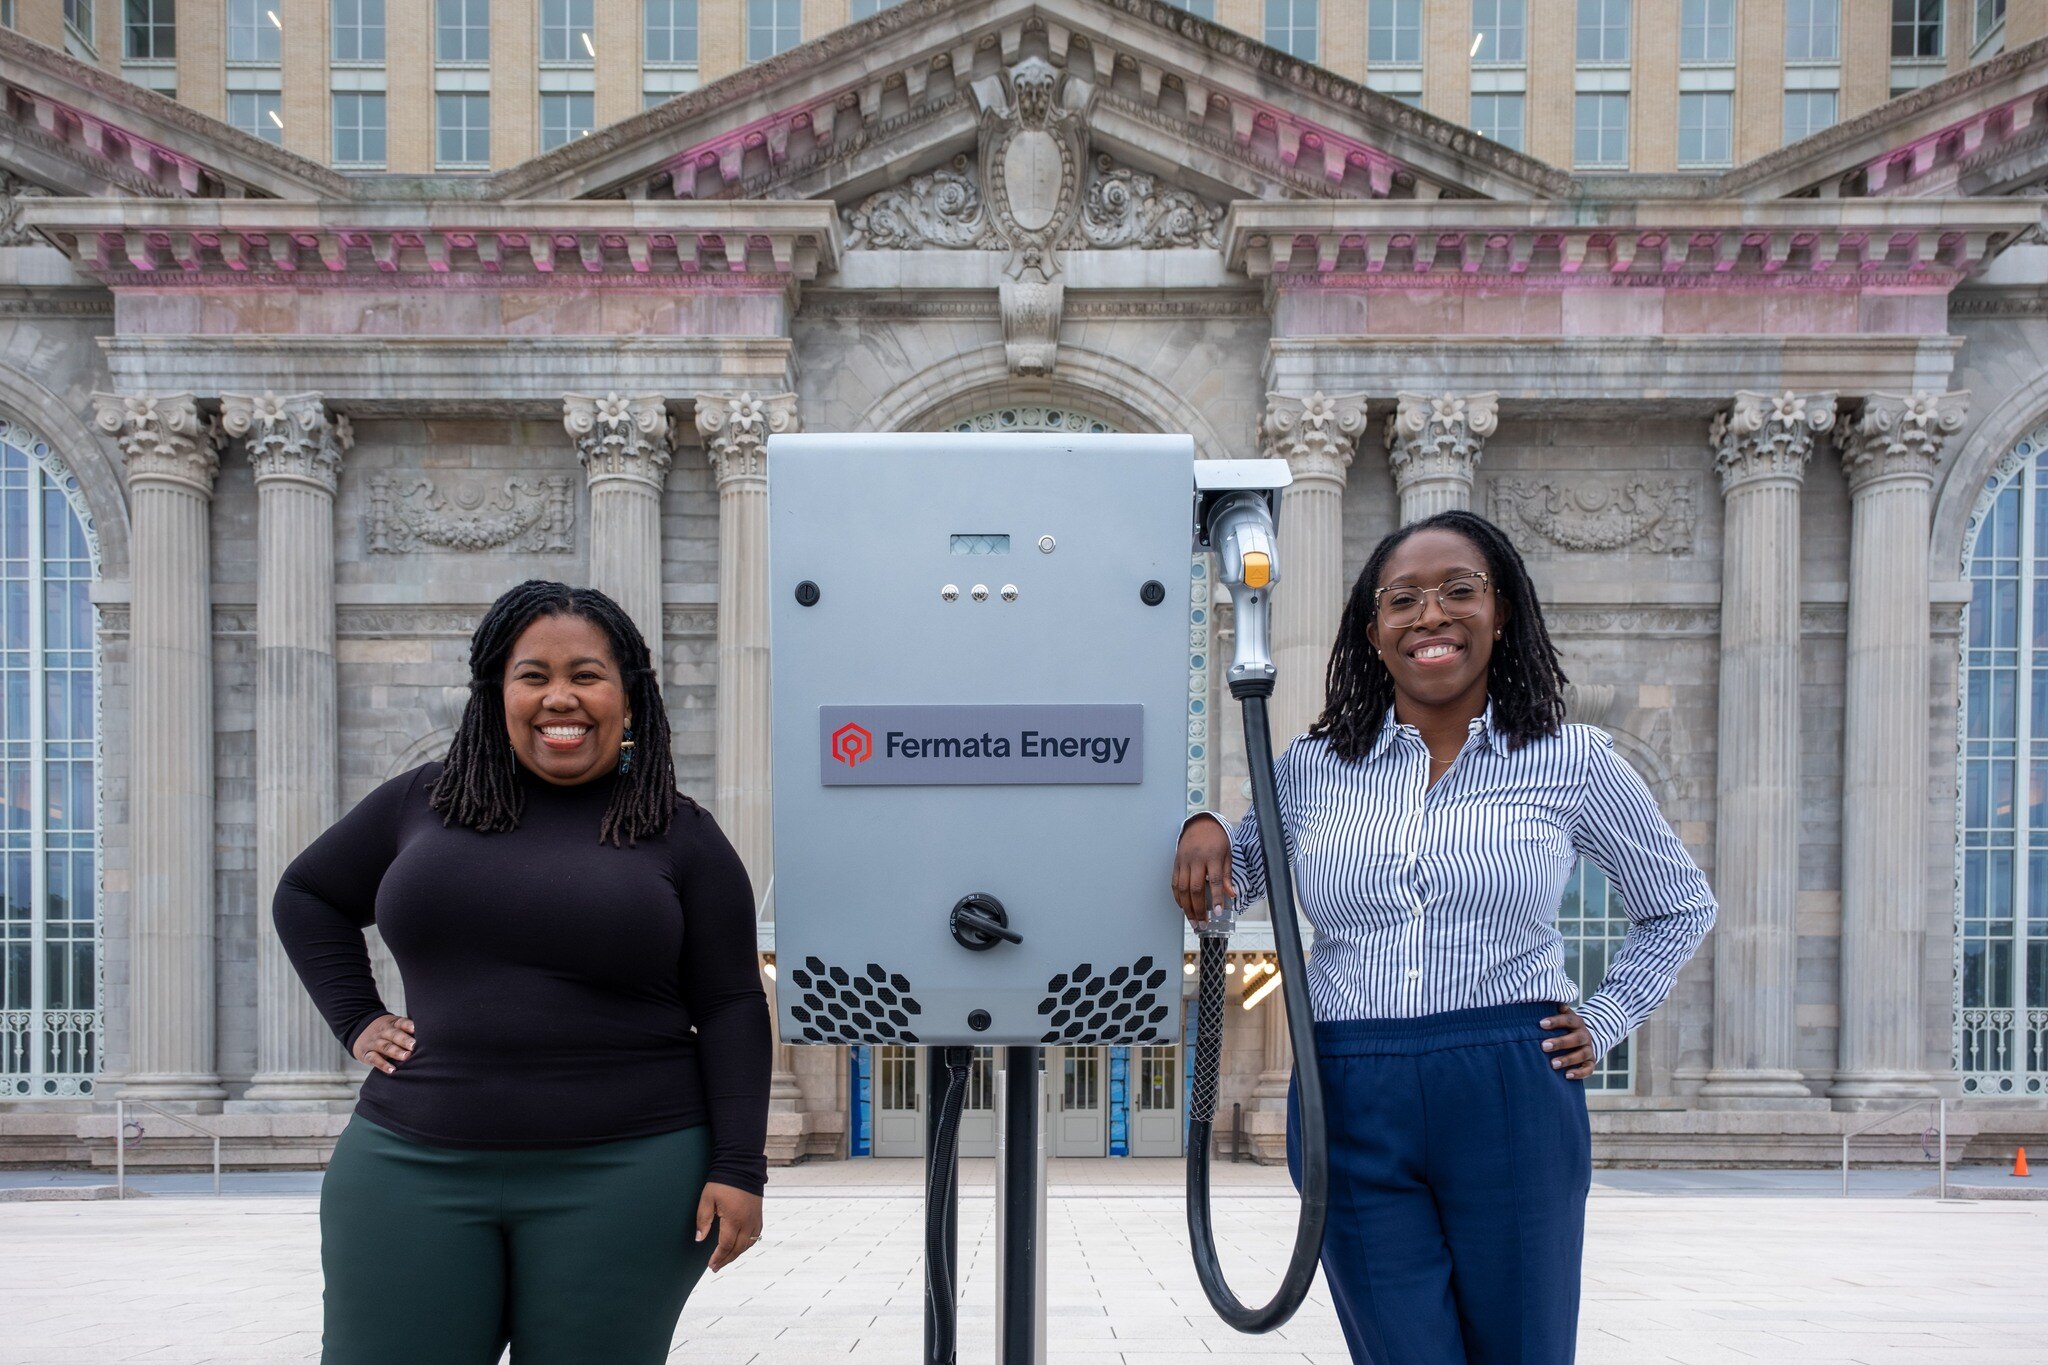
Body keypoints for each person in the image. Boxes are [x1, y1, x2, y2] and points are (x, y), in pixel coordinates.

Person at [1172, 509, 1716, 1365]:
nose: (1432, 616)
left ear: (1502, 612)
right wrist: (1202, 818)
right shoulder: (1314, 768)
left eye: (1459, 592)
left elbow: (1680, 903)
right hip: (1348, 1083)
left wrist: (1605, 1018)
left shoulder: (1573, 759)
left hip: (1508, 1078)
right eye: (1404, 600)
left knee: (1523, 1350)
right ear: (1373, 630)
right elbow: (1225, 876)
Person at [275, 580, 772, 1365]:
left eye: (587, 674)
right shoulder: (423, 802)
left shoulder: (683, 836)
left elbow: (734, 1004)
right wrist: (357, 1016)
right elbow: (307, 894)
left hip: (629, 1175)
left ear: (630, 696)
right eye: (532, 675)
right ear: (496, 694)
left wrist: (742, 1164)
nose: (559, 697)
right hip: (410, 1163)